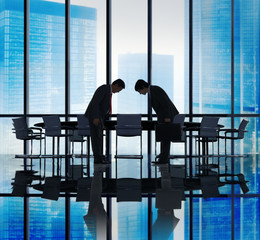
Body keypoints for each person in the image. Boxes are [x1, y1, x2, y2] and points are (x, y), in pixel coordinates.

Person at [134, 79, 179, 163]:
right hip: (164, 116)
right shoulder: (153, 91)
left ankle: (164, 159)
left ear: (143, 87)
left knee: (166, 137)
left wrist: (167, 116)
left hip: (167, 116)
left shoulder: (155, 90)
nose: (140, 93)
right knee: (163, 136)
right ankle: (163, 156)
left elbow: (164, 103)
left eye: (139, 91)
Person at [85, 79, 125, 164]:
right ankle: (98, 158)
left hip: (99, 117)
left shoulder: (108, 91)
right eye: (119, 89)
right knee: (96, 137)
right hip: (95, 116)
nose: (118, 92)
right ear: (116, 85)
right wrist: (96, 117)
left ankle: (99, 156)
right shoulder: (104, 88)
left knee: (98, 137)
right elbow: (96, 102)